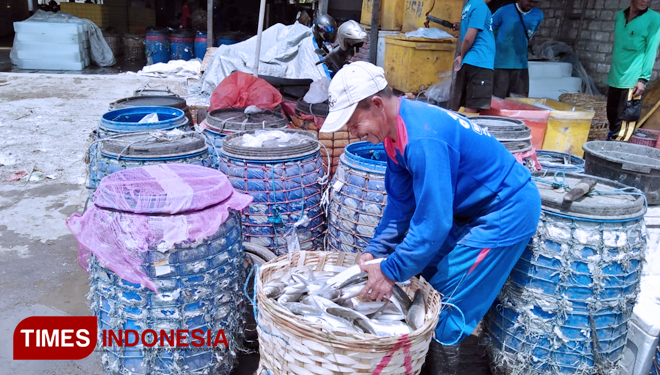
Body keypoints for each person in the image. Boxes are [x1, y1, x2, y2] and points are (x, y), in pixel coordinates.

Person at [321, 61, 541, 375]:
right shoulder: (394, 136)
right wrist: (376, 252)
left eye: (354, 123)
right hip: (466, 211)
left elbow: (434, 224)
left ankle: (442, 358)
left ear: (377, 105)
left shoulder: (422, 139)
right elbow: (400, 207)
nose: (353, 133)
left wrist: (390, 271)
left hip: (505, 209)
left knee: (446, 301)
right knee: (422, 275)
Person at [607, 0, 660, 141]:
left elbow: (651, 51)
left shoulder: (654, 19)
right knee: (612, 120)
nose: (646, 1)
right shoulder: (620, 16)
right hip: (615, 78)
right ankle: (605, 150)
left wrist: (643, 79)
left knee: (624, 127)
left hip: (633, 82)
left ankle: (613, 156)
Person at [491, 0, 544, 98]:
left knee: (520, 101)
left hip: (521, 65)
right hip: (500, 64)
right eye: (529, 1)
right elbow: (488, 29)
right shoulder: (503, 11)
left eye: (535, 2)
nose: (531, 4)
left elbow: (531, 34)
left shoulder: (538, 15)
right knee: (497, 99)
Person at [451, 0, 496, 113]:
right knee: (473, 106)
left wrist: (463, 56)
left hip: (471, 61)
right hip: (480, 61)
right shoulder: (480, 6)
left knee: (466, 104)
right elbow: (468, 38)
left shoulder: (469, 6)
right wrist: (462, 55)